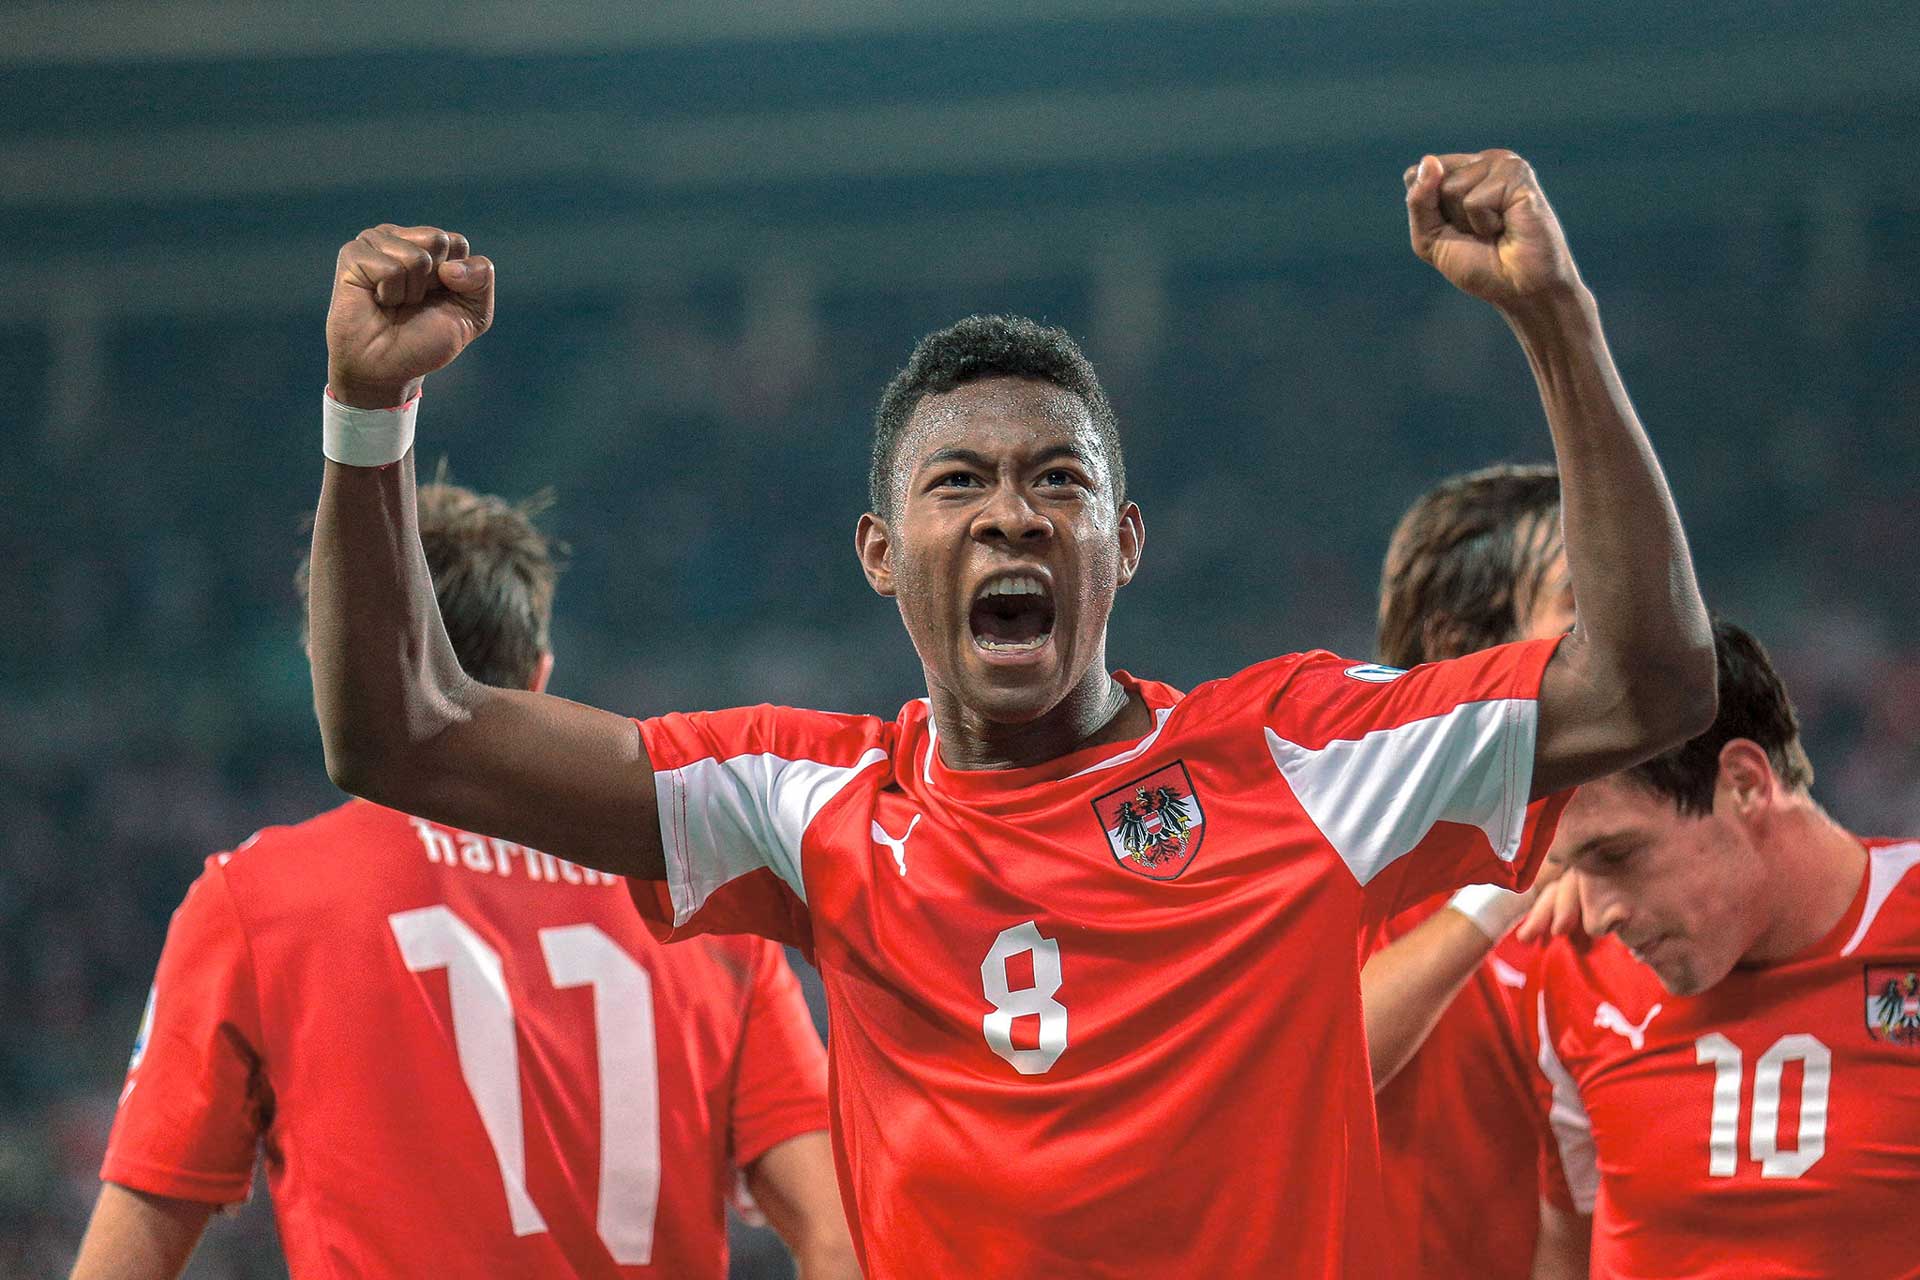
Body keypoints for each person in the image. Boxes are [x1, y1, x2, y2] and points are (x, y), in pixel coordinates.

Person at [304, 149, 1716, 1277]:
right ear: (879, 554)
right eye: (959, 483)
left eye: (1060, 480)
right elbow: (402, 733)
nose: (1012, 516)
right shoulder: (809, 804)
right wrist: (369, 414)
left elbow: (1649, 683)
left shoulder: (1291, 755)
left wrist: (1557, 319)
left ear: (1127, 542)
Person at [72, 480, 857, 1280]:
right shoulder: (700, 905)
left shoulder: (257, 903)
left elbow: (130, 1253)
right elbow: (839, 1239)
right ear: (540, 681)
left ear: (331, 673)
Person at [1520, 619, 1920, 1280]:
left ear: (1744, 784)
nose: (1596, 911)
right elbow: (1565, 1247)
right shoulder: (1573, 967)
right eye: (1570, 867)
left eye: (1617, 855)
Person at [1358, 464, 1571, 1279]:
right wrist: (1504, 894)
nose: (1621, 645)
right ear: (1460, 649)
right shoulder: (1338, 846)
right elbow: (1309, 1061)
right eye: (1579, 609)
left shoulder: (1632, 870)